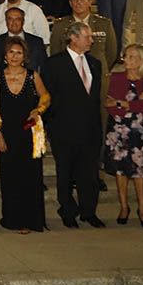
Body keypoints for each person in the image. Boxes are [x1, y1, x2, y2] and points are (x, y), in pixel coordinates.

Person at [41, 22, 105, 229]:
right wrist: (51, 128)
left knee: (89, 175)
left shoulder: (95, 63)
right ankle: (68, 210)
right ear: (74, 38)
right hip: (64, 130)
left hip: (90, 130)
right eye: (87, 36)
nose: (92, 40)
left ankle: (89, 211)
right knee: (66, 174)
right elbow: (47, 99)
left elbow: (95, 99)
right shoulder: (54, 64)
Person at [0, 36, 50, 233]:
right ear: (5, 55)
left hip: (29, 133)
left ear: (24, 55)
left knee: (30, 177)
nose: (15, 56)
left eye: (18, 52)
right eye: (11, 52)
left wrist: (39, 110)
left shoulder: (32, 76)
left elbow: (46, 96)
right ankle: (12, 219)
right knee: (10, 177)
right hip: (7, 134)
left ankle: (30, 220)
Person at [104, 43, 143, 228]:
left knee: (139, 170)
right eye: (126, 56)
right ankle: (124, 206)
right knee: (120, 170)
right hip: (118, 130)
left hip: (138, 132)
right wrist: (130, 103)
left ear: (141, 61)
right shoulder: (117, 77)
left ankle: (142, 209)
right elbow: (110, 105)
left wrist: (123, 104)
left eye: (131, 56)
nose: (126, 59)